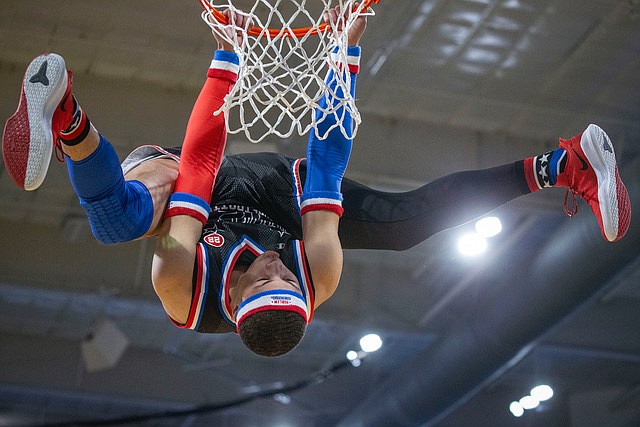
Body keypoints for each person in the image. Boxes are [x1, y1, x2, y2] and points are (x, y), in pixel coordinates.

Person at [1, 7, 631, 357]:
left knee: (119, 222)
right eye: (288, 278)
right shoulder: (316, 275)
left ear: (236, 293)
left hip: (195, 185)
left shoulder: (181, 286)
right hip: (282, 189)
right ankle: (563, 164)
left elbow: (196, 166)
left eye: (265, 277)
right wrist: (345, 55)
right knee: (401, 225)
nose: (278, 265)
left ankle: (66, 116)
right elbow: (326, 162)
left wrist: (228, 60)